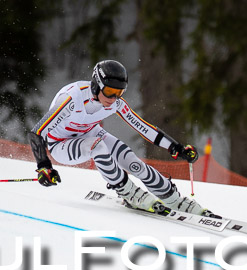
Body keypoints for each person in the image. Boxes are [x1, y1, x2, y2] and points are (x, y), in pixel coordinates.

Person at [27, 59, 210, 216]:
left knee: (131, 160)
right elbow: (37, 132)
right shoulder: (71, 99)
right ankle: (127, 191)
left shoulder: (115, 103)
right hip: (61, 144)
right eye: (109, 92)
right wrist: (44, 166)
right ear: (96, 84)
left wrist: (176, 148)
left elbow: (144, 127)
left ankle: (174, 199)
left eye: (119, 93)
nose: (113, 99)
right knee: (97, 146)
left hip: (89, 133)